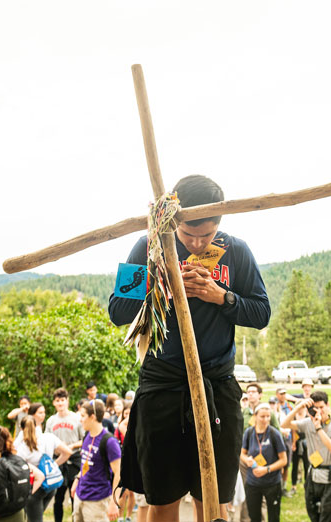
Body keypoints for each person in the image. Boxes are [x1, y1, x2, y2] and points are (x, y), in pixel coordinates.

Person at [109, 174, 271, 521]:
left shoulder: (234, 250)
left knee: (213, 499)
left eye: (207, 235)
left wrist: (221, 297)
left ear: (219, 224)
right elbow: (117, 311)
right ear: (174, 220)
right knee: (162, 499)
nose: (198, 244)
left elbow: (261, 313)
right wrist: (161, 279)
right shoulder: (147, 247)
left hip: (216, 386)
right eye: (188, 235)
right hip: (162, 386)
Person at [281, 391, 331, 522]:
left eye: (322, 407)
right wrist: (298, 407)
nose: (319, 412)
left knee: (327, 515)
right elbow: (284, 425)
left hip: (329, 477)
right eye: (315, 409)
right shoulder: (307, 423)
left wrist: (318, 428)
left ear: (328, 405)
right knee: (312, 513)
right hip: (313, 474)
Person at [71, 400, 122, 522]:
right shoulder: (86, 436)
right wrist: (77, 480)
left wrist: (114, 503)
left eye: (83, 416)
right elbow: (86, 463)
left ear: (92, 417)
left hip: (98, 501)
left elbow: (119, 475)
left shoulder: (109, 442)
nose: (80, 420)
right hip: (80, 496)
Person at [15, 415, 72, 522]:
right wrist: (54, 464)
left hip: (34, 487)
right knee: (36, 515)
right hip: (50, 484)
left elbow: (17, 464)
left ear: (21, 428)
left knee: (34, 518)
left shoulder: (22, 447)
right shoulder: (49, 437)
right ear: (36, 425)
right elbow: (67, 452)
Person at [240, 403, 287, 522]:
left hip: (272, 483)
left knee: (273, 517)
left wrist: (267, 469)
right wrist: (247, 460)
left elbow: (283, 460)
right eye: (262, 416)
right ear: (255, 416)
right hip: (253, 483)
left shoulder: (274, 434)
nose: (265, 419)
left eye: (268, 416)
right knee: (254, 516)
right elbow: (242, 453)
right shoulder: (249, 433)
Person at [45, 388, 85, 522]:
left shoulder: (77, 418)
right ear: (54, 403)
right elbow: (47, 440)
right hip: (59, 460)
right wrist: (56, 450)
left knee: (75, 495)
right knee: (59, 497)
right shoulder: (51, 421)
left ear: (67, 401)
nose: (60, 403)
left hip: (74, 458)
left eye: (63, 400)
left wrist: (72, 446)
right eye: (58, 401)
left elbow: (84, 440)